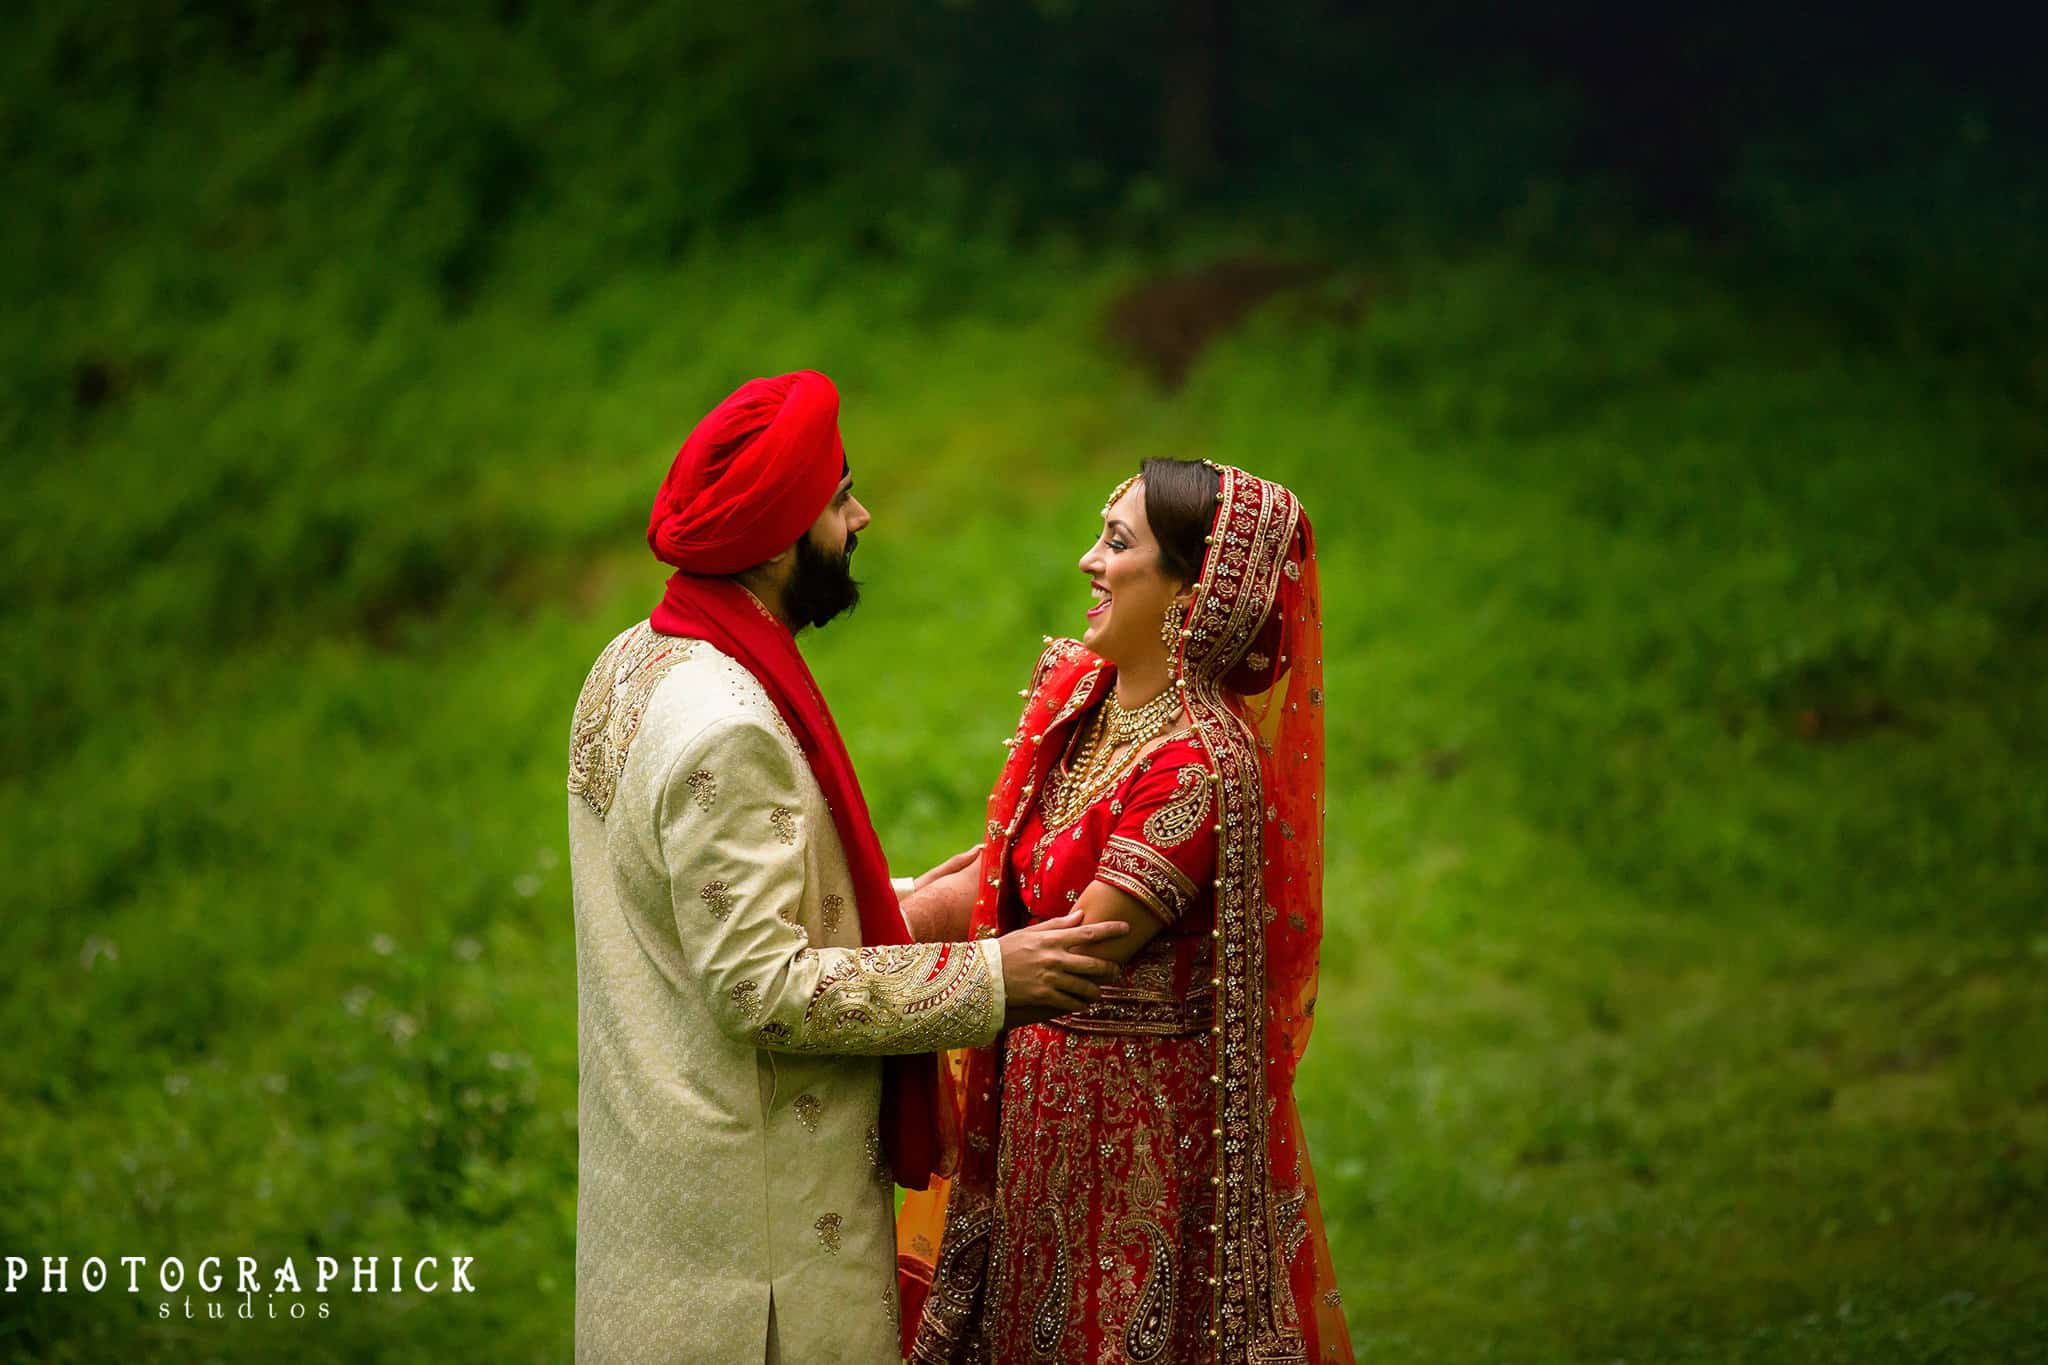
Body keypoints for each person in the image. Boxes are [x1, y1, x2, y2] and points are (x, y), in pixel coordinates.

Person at [566, 370, 1124, 1364]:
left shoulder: (638, 658)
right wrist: (993, 979)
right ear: (781, 533)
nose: (861, 516)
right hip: (758, 1240)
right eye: (838, 499)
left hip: (660, 1182)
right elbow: (757, 985)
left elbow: (691, 908)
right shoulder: (726, 726)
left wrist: (914, 903)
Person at [897, 459, 1355, 1363]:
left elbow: (1071, 947)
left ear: (1194, 587)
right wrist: (874, 903)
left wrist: (866, 954)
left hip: (1129, 1140)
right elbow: (1000, 878)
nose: (1086, 562)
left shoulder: (1198, 767)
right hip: (1035, 1107)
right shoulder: (1086, 704)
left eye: (1117, 543)